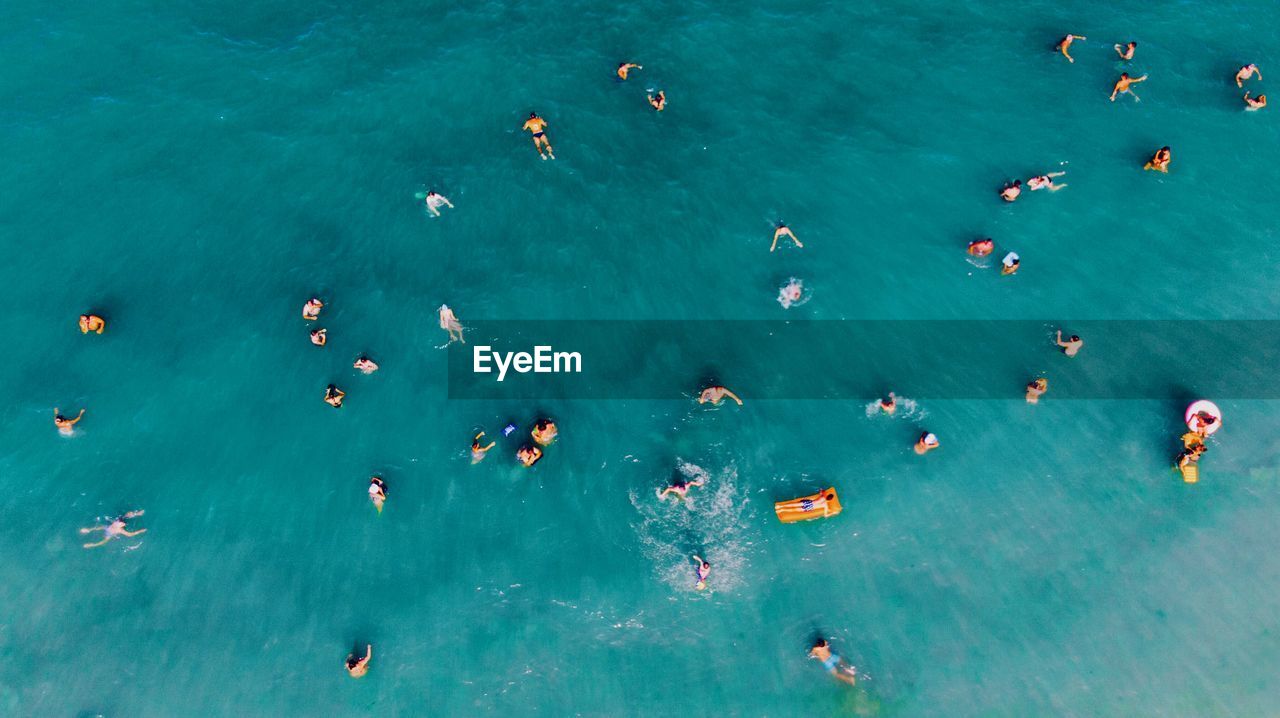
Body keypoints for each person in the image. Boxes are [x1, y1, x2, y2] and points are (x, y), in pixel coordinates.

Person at [80, 510, 146, 548]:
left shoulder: (120, 530)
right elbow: (121, 518)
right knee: (100, 527)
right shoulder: (116, 522)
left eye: (122, 524)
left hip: (110, 533)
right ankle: (88, 530)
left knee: (103, 541)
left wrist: (140, 531)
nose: (123, 524)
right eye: (121, 523)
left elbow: (130, 534)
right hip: (107, 528)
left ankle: (92, 545)